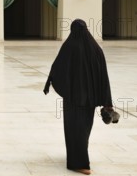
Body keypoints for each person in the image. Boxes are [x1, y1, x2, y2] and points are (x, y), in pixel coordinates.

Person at [43, 19, 114, 175]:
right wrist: (106, 101)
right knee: (84, 130)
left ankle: (79, 163)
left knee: (73, 129)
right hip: (90, 100)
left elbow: (57, 67)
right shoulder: (96, 49)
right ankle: (79, 158)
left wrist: (50, 81)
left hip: (73, 99)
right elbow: (104, 77)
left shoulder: (69, 46)